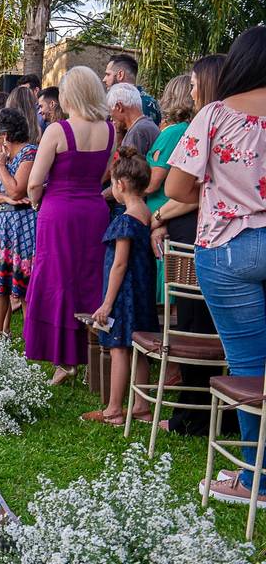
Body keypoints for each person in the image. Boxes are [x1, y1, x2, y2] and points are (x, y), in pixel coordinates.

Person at [166, 26, 266, 506]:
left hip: (228, 248)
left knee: (247, 367)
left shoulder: (214, 116)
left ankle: (256, 480)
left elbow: (177, 190)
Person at [25, 65, 116, 385]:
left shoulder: (57, 131)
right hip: (94, 210)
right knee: (89, 280)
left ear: (69, 95)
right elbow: (105, 173)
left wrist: (37, 201)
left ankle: (64, 360)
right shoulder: (110, 130)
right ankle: (91, 353)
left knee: (57, 279)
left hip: (59, 211)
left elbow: (34, 182)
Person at [151, 54, 226, 437]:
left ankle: (191, 417)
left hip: (202, 234)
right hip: (202, 230)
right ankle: (216, 414)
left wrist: (159, 216)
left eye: (195, 83)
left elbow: (183, 190)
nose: (192, 90)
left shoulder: (209, 122)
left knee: (198, 327)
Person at [81, 147, 159, 425]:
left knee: (119, 348)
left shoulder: (124, 221)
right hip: (143, 292)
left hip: (124, 294)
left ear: (120, 184)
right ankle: (141, 406)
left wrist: (106, 303)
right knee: (139, 347)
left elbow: (119, 265)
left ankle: (114, 409)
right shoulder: (148, 215)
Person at [0, 108, 37, 339]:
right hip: (2, 224)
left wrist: (2, 167)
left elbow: (17, 189)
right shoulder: (4, 158)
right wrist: (5, 198)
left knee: (23, 282)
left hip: (22, 225)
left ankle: (30, 339)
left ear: (5, 135)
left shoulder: (29, 153)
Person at [142, 74, 194, 300]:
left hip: (164, 214)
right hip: (175, 212)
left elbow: (153, 181)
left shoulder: (174, 132)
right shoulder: (190, 128)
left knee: (167, 288)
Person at [103, 54, 162, 126]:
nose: (104, 79)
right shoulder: (144, 101)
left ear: (120, 75)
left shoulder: (142, 105)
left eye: (108, 74)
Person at [107, 82, 160, 156]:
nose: (112, 120)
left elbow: (129, 166)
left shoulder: (137, 132)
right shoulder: (147, 125)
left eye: (111, 114)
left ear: (119, 107)